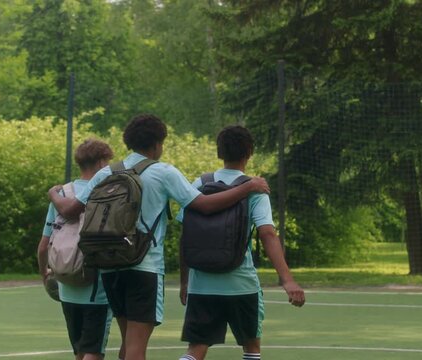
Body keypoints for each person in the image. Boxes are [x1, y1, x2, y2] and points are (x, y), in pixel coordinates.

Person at [48, 114, 270, 360]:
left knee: (127, 342)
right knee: (136, 347)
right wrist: (248, 187)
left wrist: (53, 193)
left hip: (110, 265)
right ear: (156, 144)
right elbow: (204, 205)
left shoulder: (107, 173)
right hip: (144, 266)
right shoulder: (163, 172)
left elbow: (69, 210)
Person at [177, 125, 305, 360]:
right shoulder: (256, 188)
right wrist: (288, 280)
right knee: (251, 347)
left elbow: (186, 235)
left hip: (201, 283)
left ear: (219, 152)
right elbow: (268, 234)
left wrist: (185, 282)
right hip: (241, 283)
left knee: (196, 350)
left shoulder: (199, 184)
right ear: (250, 152)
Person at [38, 139, 119, 360]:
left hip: (66, 284)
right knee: (93, 352)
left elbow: (44, 245)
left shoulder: (61, 194)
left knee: (80, 352)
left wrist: (45, 273)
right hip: (97, 290)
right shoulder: (106, 193)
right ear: (102, 162)